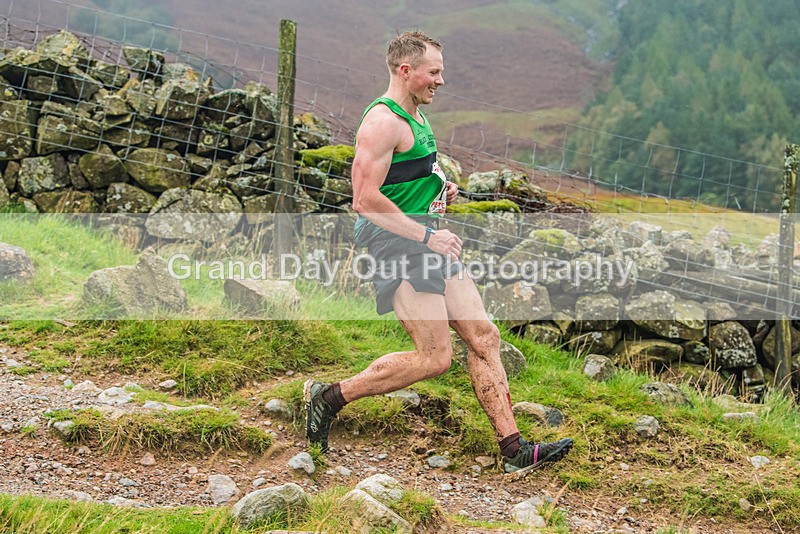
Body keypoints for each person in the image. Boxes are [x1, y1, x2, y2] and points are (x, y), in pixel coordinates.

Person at [304, 30, 573, 474]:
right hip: (396, 243)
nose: (441, 81)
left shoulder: (417, 115)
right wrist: (428, 237)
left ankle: (513, 450)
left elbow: (404, 176)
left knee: (484, 335)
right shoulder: (382, 122)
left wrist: (436, 185)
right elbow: (365, 199)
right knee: (435, 357)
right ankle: (328, 398)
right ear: (406, 71)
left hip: (424, 236)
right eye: (434, 72)